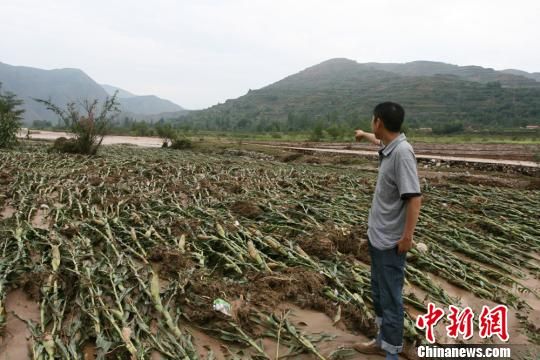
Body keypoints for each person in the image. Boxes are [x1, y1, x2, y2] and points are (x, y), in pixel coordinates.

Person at [353, 102, 422, 360]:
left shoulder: (403, 153)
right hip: (378, 237)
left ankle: (392, 351)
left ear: (378, 121)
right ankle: (382, 341)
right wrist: (363, 135)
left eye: (372, 122)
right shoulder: (389, 146)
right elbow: (377, 141)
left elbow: (414, 198)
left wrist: (407, 238)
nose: (372, 125)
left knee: (391, 299)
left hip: (391, 242)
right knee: (380, 294)